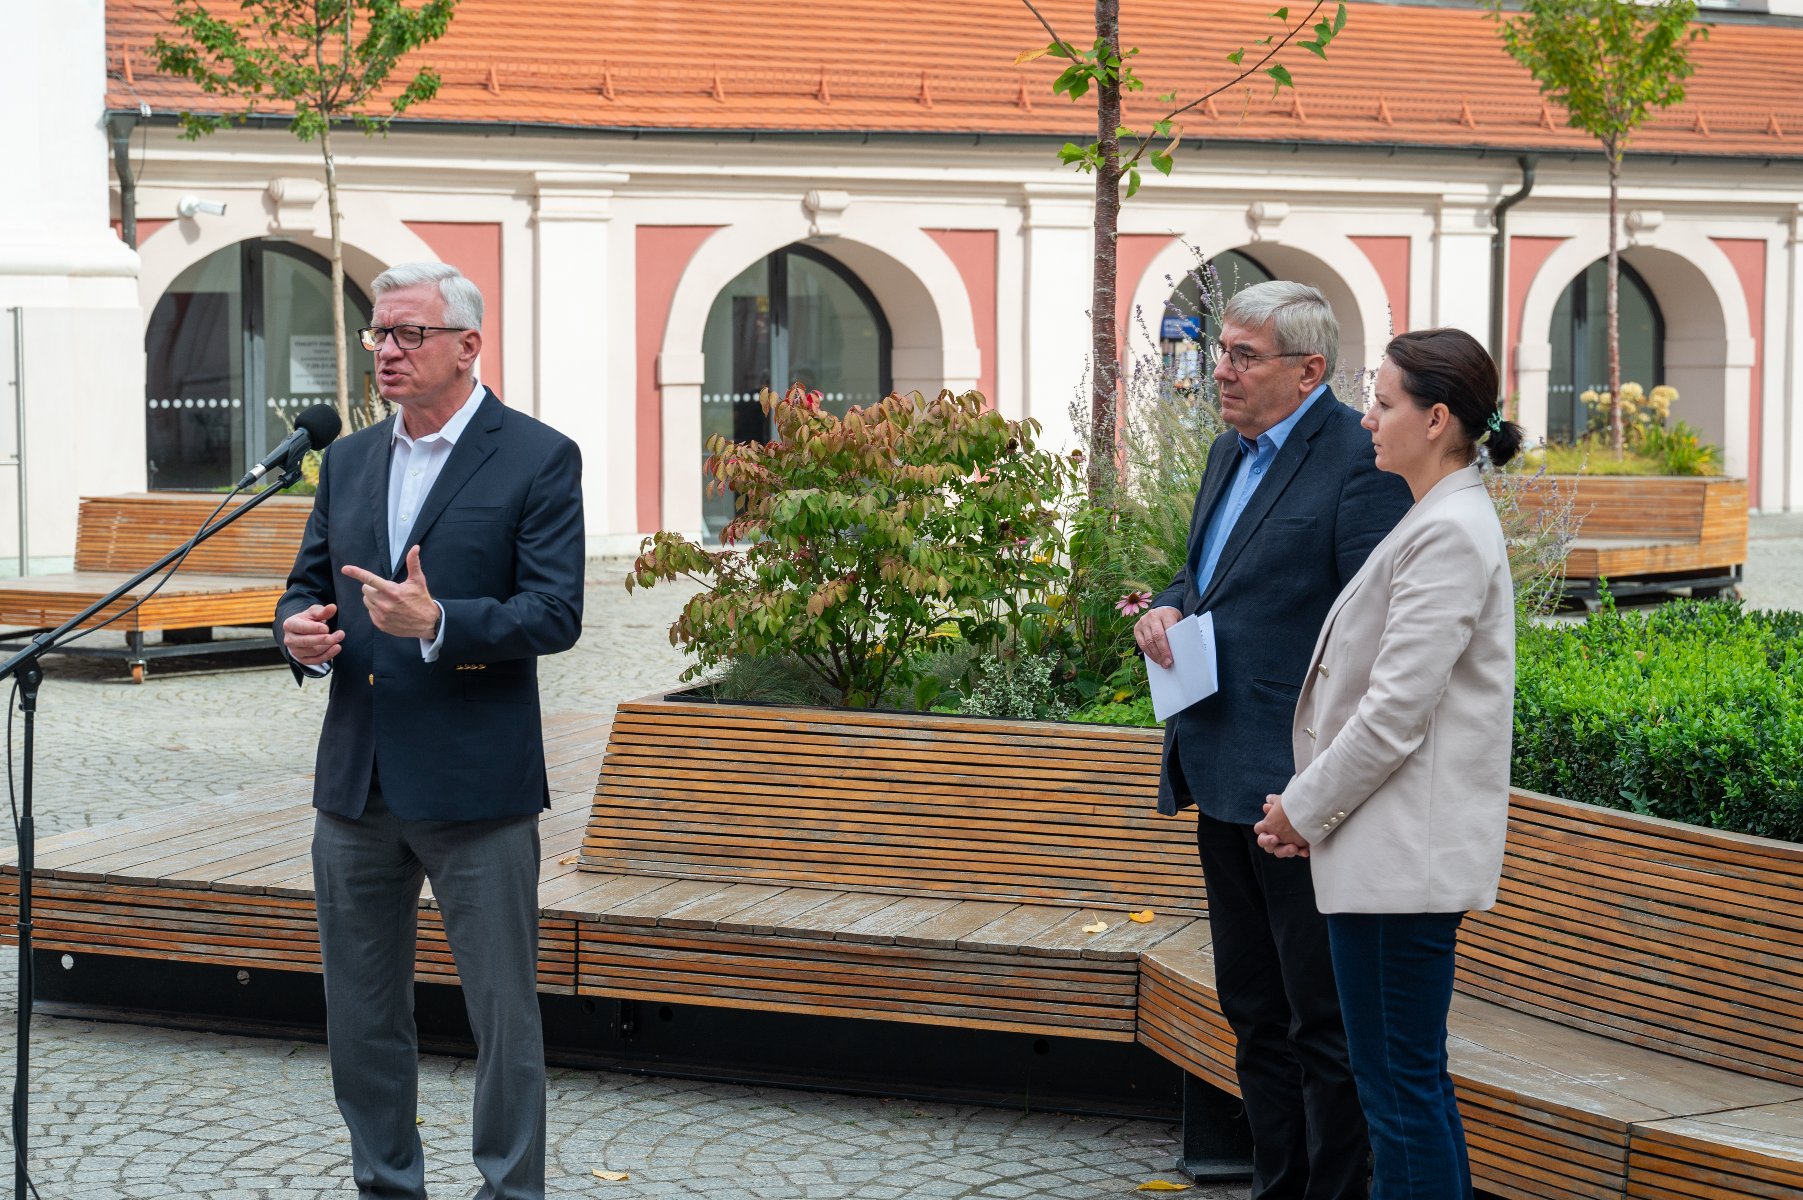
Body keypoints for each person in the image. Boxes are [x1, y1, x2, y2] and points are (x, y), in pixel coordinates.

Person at [276, 261, 585, 1200]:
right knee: (361, 1019)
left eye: (409, 334)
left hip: (474, 785)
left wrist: (443, 623)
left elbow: (555, 612)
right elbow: (310, 581)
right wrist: (297, 632)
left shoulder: (536, 455)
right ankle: (387, 1186)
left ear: (466, 345)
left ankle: (507, 1191)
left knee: (502, 1018)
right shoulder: (353, 459)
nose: (388, 351)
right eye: (379, 334)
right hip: (356, 782)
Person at [1134, 280, 1412, 1199]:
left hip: (1297, 790)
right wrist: (1170, 603)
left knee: (1316, 1024)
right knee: (1251, 1012)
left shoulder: (1357, 461)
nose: (1220, 371)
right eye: (1220, 351)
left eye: (1242, 356)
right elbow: (1204, 572)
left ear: (1308, 370)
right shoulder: (1227, 452)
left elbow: (1369, 632)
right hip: (1219, 767)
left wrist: (1314, 792)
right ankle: (1275, 1186)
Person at [1254, 327, 1523, 1200]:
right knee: (1405, 1086)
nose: (1366, 419)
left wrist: (1301, 808)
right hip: (1386, 854)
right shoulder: (1437, 517)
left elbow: (1393, 713)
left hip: (1399, 863)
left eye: (1384, 403)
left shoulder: (1447, 530)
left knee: (1398, 1093)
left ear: (1437, 418)